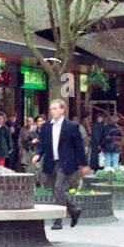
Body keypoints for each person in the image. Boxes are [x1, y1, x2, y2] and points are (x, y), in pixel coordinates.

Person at [33, 98, 85, 230]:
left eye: (56, 108)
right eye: (51, 109)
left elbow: (79, 146)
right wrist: (38, 154)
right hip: (51, 161)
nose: (53, 111)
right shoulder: (46, 127)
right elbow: (42, 143)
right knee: (55, 190)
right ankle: (73, 211)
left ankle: (58, 221)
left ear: (63, 110)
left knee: (58, 188)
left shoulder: (72, 126)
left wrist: (83, 164)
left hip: (66, 162)